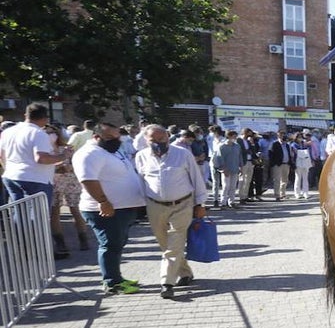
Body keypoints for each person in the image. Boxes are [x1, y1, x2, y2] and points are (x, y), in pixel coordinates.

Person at [135, 124, 208, 300]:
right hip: (155, 206)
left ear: (168, 137)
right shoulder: (141, 157)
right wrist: (140, 206)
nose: (159, 143)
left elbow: (196, 179)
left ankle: (167, 282)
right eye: (154, 140)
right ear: (146, 140)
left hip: (182, 204)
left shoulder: (182, 154)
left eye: (162, 139)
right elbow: (140, 181)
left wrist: (200, 204)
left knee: (174, 244)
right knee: (165, 244)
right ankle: (185, 272)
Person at [73, 122, 146, 295]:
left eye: (116, 137)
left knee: (117, 244)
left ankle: (116, 277)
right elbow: (88, 180)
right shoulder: (89, 153)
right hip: (106, 209)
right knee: (110, 245)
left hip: (122, 208)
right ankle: (112, 282)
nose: (115, 140)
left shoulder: (109, 150)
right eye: (109, 137)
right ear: (96, 137)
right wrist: (103, 201)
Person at [0, 102, 71, 205]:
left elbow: (2, 155)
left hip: (11, 176)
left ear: (26, 115)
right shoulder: (38, 133)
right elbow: (41, 158)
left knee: (20, 213)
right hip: (35, 179)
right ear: (45, 118)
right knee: (37, 216)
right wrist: (64, 155)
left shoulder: (8, 132)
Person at [47, 124, 91, 258]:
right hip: (53, 182)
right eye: (47, 133)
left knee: (75, 209)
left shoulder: (67, 148)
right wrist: (58, 165)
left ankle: (83, 239)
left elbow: (76, 162)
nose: (50, 135)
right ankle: (60, 242)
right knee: (55, 212)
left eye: (52, 132)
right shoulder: (43, 149)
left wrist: (68, 166)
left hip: (70, 181)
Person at [211, 130, 242, 208]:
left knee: (233, 186)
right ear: (229, 136)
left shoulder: (237, 146)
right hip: (226, 170)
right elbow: (219, 158)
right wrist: (223, 169)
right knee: (225, 186)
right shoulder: (222, 146)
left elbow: (239, 156)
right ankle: (223, 203)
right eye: (234, 136)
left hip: (235, 168)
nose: (235, 138)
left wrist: (240, 166)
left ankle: (231, 202)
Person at [267, 131, 290, 201]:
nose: (282, 136)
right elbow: (270, 154)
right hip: (278, 165)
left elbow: (289, 154)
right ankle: (277, 195)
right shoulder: (274, 144)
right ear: (278, 136)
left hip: (286, 164)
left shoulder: (287, 145)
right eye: (281, 135)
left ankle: (283, 194)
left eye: (283, 135)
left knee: (285, 180)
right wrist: (274, 163)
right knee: (277, 180)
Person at [291, 132, 312, 199]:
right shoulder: (294, 144)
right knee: (298, 178)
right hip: (298, 162)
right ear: (296, 138)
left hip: (305, 162)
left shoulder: (303, 143)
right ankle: (297, 193)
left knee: (305, 178)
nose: (300, 138)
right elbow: (296, 152)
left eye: (301, 137)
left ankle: (305, 193)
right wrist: (303, 152)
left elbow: (308, 151)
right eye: (298, 137)